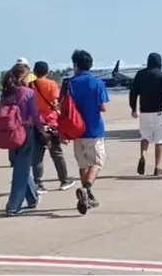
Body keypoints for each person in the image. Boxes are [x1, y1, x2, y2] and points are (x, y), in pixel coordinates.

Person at [0, 61, 48, 217]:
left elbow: (0, 116)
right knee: (21, 169)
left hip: (9, 132)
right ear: (23, 77)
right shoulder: (27, 92)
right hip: (25, 131)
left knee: (20, 166)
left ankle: (33, 198)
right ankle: (13, 206)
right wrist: (43, 132)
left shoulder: (5, 93)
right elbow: (34, 116)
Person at [66, 49, 109, 215]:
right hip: (93, 129)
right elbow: (103, 107)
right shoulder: (97, 83)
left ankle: (88, 196)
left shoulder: (69, 84)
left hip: (75, 131)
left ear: (75, 65)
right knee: (97, 163)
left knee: (83, 164)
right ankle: (86, 188)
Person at [30, 60, 75, 193]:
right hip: (50, 122)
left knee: (37, 155)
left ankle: (37, 183)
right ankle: (64, 180)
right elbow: (55, 102)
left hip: (36, 123)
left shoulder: (30, 85)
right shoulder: (52, 84)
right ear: (47, 72)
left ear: (34, 72)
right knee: (56, 153)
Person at [129, 52, 162, 177]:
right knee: (159, 140)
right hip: (159, 113)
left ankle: (143, 155)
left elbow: (133, 93)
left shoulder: (140, 75)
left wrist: (133, 108)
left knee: (145, 136)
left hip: (144, 113)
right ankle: (157, 167)